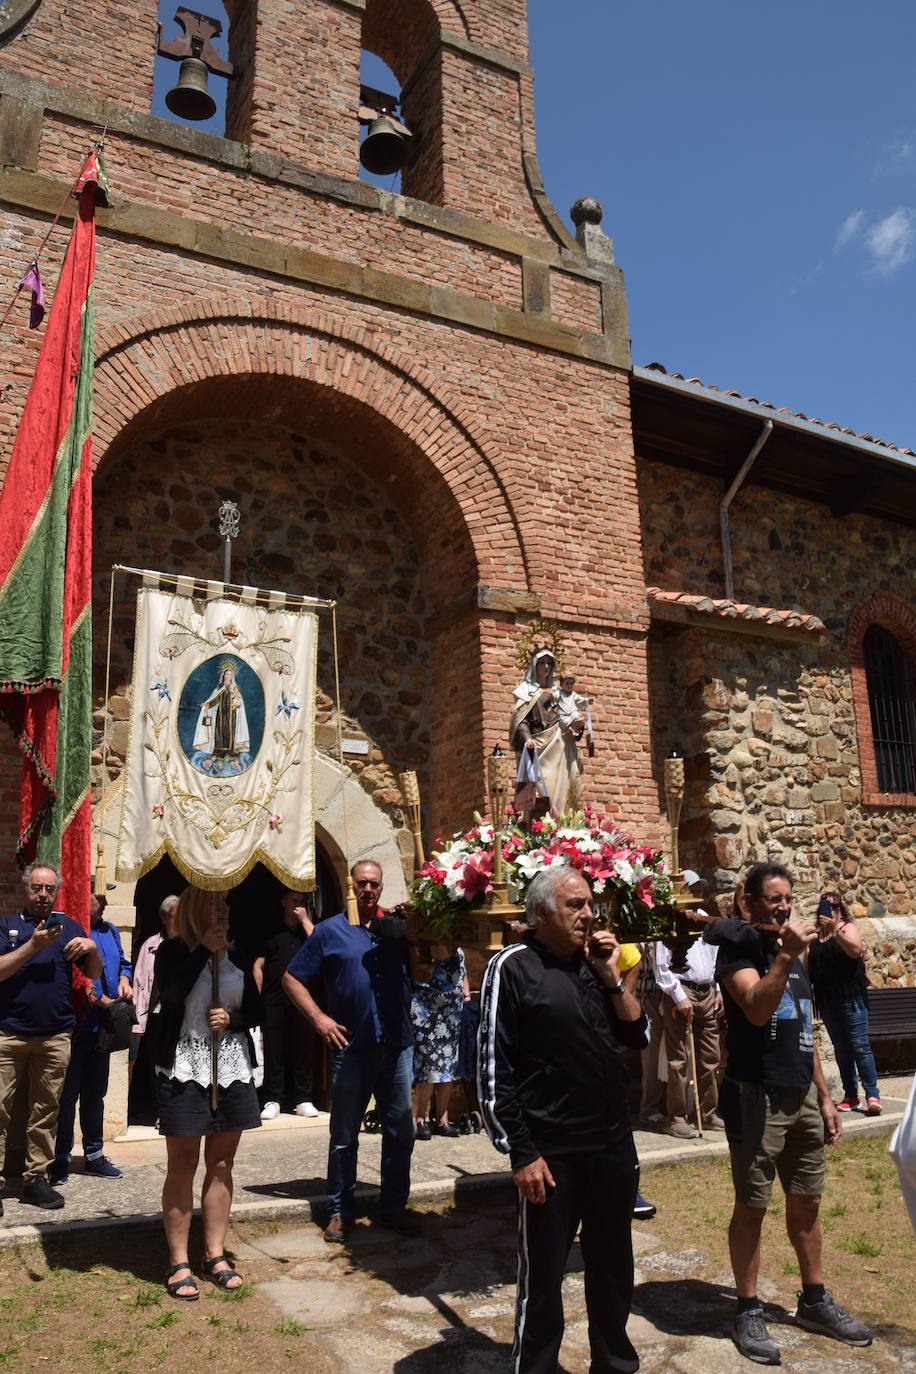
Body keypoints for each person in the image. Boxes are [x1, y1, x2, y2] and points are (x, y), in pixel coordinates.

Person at [478, 866, 649, 1374]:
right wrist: (520, 1151)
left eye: (590, 904)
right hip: (549, 1152)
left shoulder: (596, 966)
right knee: (545, 1273)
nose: (588, 914)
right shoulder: (511, 967)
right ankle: (536, 1366)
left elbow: (637, 1036)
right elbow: (492, 1068)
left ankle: (614, 1363)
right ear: (541, 913)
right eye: (575, 905)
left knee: (613, 1264)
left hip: (611, 1144)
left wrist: (612, 977)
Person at [715, 862, 872, 1364]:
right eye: (773, 899)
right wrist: (784, 955)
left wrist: (825, 1096)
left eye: (788, 898)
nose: (784, 907)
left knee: (807, 1201)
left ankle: (814, 1298)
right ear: (749, 902)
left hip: (801, 1093)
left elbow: (803, 1027)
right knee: (753, 1207)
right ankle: (746, 1307)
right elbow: (758, 1009)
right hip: (755, 1096)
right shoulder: (738, 952)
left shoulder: (794, 953)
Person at [283, 858, 415, 1242]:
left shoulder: (398, 930)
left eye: (375, 884)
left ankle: (392, 1207)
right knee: (344, 1136)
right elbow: (292, 978)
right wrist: (320, 1020)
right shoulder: (329, 932)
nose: (369, 890)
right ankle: (340, 1211)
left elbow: (423, 968)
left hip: (395, 1048)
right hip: (351, 1049)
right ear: (351, 886)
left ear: (382, 886)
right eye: (362, 883)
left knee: (400, 1133)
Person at [155, 886, 261, 1300]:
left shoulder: (235, 953)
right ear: (201, 909)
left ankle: (214, 1252)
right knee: (183, 1163)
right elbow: (169, 995)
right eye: (219, 904)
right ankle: (178, 1260)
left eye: (228, 904)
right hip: (186, 1068)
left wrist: (232, 1017)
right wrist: (202, 950)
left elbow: (255, 1009)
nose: (228, 910)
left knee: (221, 1162)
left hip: (230, 1066)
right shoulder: (173, 950)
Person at [0, 862, 101, 1212]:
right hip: (9, 1034)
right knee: (0, 1110)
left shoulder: (67, 926)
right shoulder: (9, 926)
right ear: (26, 889)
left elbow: (92, 971)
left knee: (46, 1111)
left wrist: (92, 946)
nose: (43, 895)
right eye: (37, 888)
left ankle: (35, 1180)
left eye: (49, 889)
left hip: (55, 1036)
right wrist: (32, 946)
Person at [51, 885, 133, 1184]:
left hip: (103, 1029)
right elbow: (79, 979)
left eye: (104, 894)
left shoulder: (110, 931)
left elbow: (124, 961)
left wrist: (124, 979)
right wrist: (105, 1001)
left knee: (95, 1096)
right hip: (78, 1028)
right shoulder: (72, 931)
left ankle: (94, 1156)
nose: (103, 899)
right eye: (96, 893)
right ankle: (59, 1160)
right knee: (67, 1097)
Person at [653, 870, 723, 1138]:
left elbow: (715, 956)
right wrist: (678, 995)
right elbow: (662, 965)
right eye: (691, 888)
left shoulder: (704, 918)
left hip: (706, 991)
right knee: (678, 1059)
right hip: (682, 991)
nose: (695, 893)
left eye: (698, 888)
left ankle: (708, 1112)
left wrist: (717, 990)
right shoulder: (669, 921)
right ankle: (677, 1117)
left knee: (710, 1057)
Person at [809, 890, 880, 1115]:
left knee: (860, 1046)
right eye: (826, 907)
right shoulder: (816, 937)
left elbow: (855, 950)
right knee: (841, 1050)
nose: (831, 911)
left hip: (851, 998)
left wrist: (833, 930)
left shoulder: (847, 929)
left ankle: (872, 1094)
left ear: (841, 910)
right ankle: (851, 1096)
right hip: (828, 1000)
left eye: (835, 907)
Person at [254, 889, 318, 1120]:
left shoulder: (309, 929)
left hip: (304, 1001)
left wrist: (304, 920)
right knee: (274, 1051)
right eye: (293, 901)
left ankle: (303, 1099)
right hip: (274, 1000)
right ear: (283, 902)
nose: (297, 905)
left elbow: (320, 944)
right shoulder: (271, 931)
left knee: (303, 1050)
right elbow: (258, 965)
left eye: (301, 902)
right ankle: (273, 1100)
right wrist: (257, 998)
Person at [510, 649, 582, 815]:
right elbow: (520, 721)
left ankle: (561, 821)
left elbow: (567, 716)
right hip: (537, 747)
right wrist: (527, 738)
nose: (546, 666)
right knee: (541, 787)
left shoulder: (558, 693)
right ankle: (540, 826)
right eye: (542, 662)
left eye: (549, 663)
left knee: (561, 786)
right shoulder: (525, 692)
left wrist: (576, 728)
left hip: (559, 745)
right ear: (534, 665)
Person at [411, 943, 468, 1140]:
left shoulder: (457, 947)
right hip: (428, 1013)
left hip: (451, 1015)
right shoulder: (424, 947)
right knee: (427, 1067)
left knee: (448, 1068)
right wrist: (436, 957)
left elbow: (463, 972)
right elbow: (420, 974)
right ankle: (420, 1118)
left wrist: (466, 997)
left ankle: (441, 1119)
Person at [130, 894, 180, 1076]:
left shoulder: (190, 944)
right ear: (164, 918)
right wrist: (138, 1020)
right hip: (155, 1013)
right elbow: (140, 982)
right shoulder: (150, 945)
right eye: (175, 916)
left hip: (180, 1014)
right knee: (154, 1060)